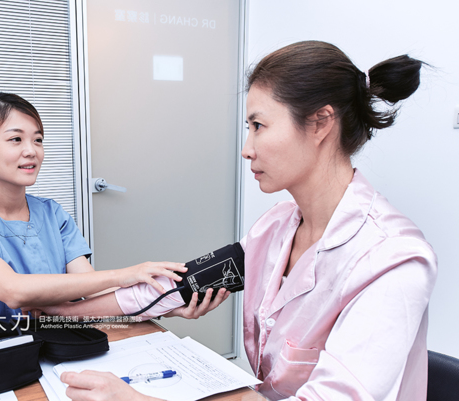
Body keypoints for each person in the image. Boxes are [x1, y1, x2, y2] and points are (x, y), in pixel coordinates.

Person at [47, 41, 438, 401]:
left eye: (258, 126)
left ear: (320, 123)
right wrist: (59, 314)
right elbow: (178, 286)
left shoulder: (393, 260)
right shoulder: (277, 227)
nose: (246, 149)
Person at [0, 92, 187, 321]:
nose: (31, 151)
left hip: (56, 340)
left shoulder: (52, 214)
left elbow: (92, 289)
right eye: (16, 139)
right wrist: (125, 274)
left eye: (38, 140)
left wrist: (163, 304)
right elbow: (12, 291)